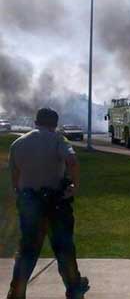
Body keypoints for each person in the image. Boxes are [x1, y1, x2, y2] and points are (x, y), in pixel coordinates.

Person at [7, 108, 89, 299]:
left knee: (27, 251)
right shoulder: (58, 140)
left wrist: (22, 194)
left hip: (29, 204)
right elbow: (72, 161)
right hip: (56, 204)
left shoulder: (18, 143)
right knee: (64, 248)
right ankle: (74, 287)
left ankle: (16, 292)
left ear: (36, 122)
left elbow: (14, 178)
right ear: (55, 123)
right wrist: (74, 186)